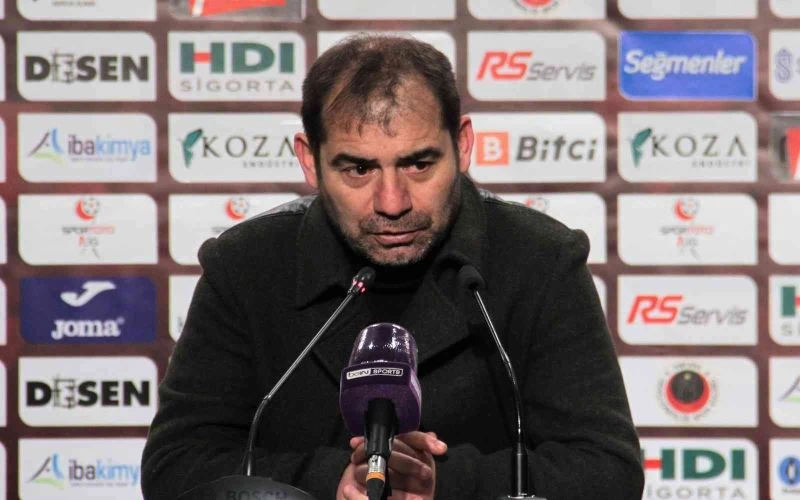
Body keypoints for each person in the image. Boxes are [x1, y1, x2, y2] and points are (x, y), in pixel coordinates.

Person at [141, 34, 644, 500]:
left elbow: (607, 471)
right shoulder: (247, 266)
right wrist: (331, 479)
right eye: (359, 169)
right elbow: (174, 466)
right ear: (310, 160)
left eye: (419, 164)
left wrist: (437, 481)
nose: (392, 202)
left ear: (463, 145)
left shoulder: (540, 260)